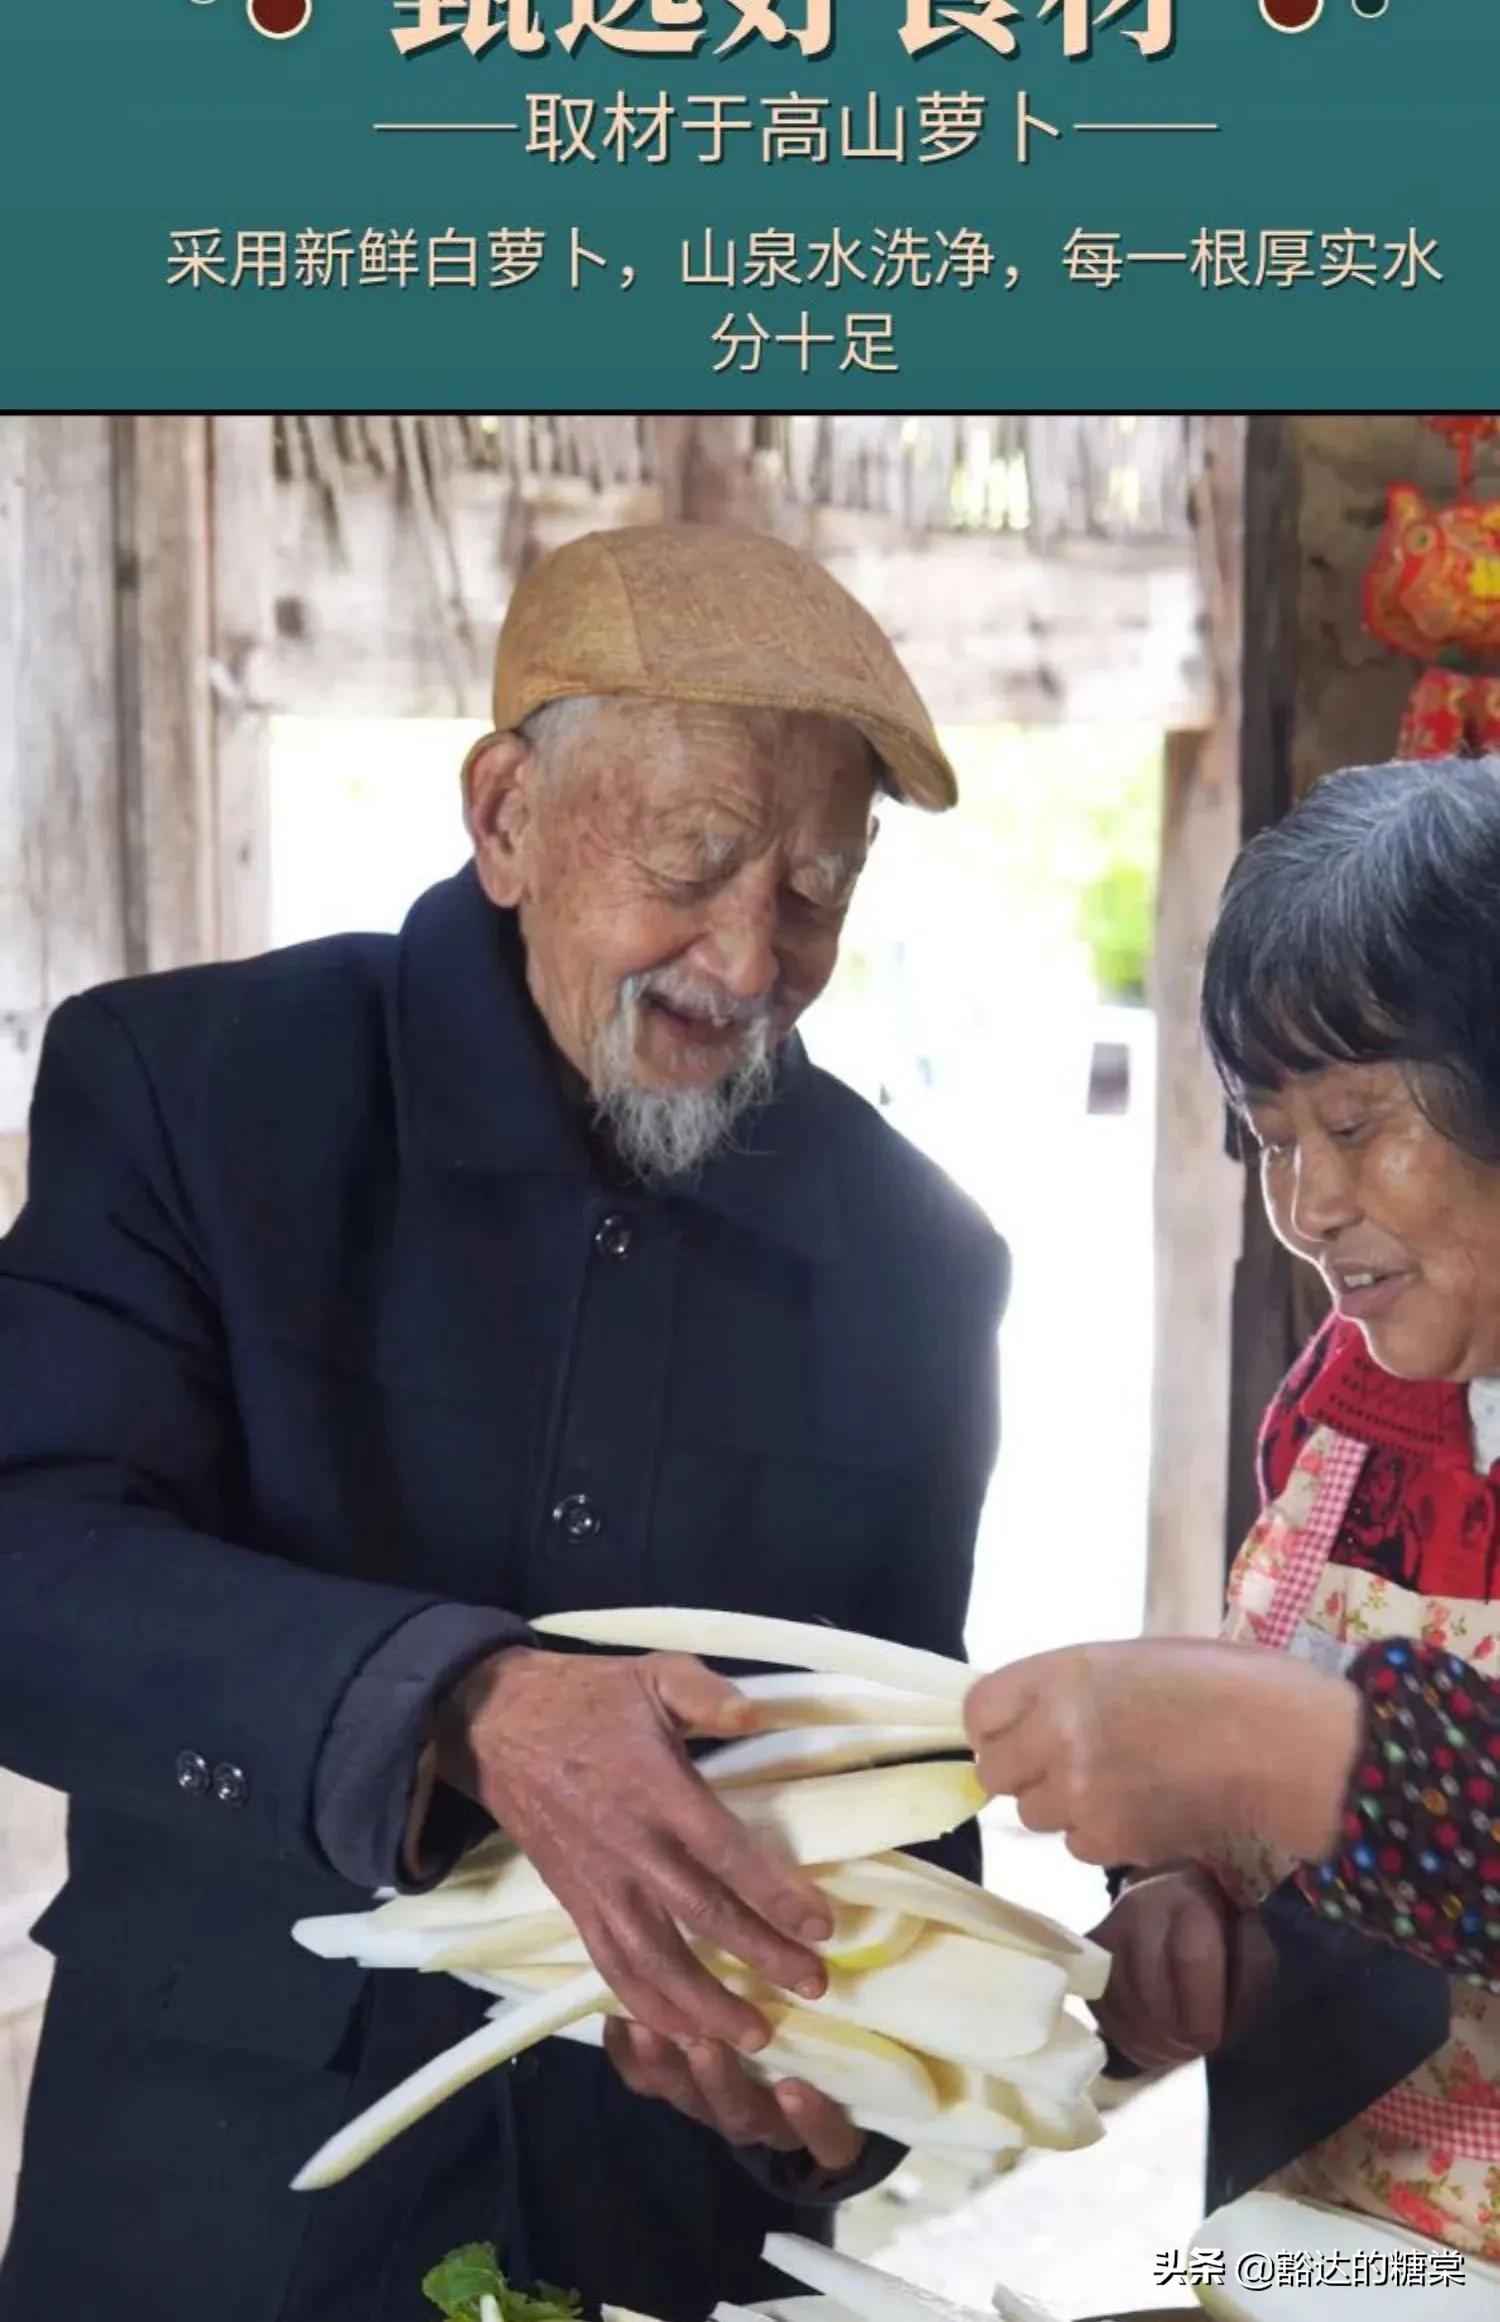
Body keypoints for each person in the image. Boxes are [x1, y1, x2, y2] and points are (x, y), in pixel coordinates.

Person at [0, 524, 1008, 2322]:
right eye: (692, 859)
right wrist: (460, 1700)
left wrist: (827, 2104)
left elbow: (907, 1817)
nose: (748, 954)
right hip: (214, 2204)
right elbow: (26, 1564)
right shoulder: (191, 1094)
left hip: (656, 2233)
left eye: (817, 892)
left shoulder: (919, 1268)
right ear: (506, 816)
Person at [966, 754, 1500, 2259]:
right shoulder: (1337, 1407)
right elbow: (1301, 1860)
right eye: (1273, 1139)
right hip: (1327, 2257)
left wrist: (1283, 1746)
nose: (1306, 1204)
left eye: (1355, 1122)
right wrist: (1195, 1908)